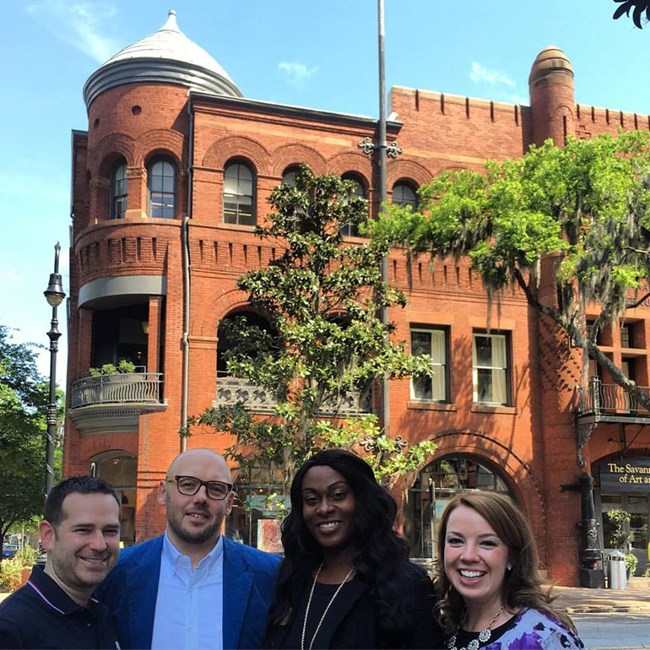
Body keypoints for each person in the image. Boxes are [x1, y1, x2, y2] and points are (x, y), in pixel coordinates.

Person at [96, 448, 281, 649]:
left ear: (229, 503)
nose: (201, 498)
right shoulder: (115, 571)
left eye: (216, 489)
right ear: (163, 493)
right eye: (187, 484)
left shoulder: (269, 574)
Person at [264, 448, 445, 649]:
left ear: (362, 500)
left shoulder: (405, 584)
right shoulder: (292, 580)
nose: (324, 508)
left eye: (338, 495)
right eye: (312, 500)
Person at [434, 491, 585, 650]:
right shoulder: (437, 630)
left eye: (487, 543)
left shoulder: (543, 638)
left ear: (512, 556)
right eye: (456, 541)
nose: (468, 556)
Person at [0, 476, 122, 649]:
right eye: (83, 530)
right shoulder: (11, 629)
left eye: (110, 531)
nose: (100, 544)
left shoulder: (103, 614)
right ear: (47, 536)